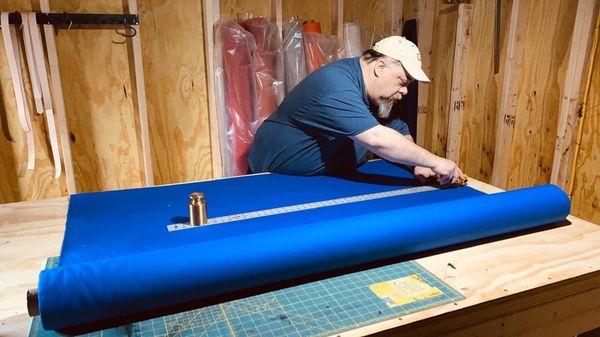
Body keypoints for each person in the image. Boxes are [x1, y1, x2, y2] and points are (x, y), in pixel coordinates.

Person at [248, 36, 465, 185]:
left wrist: (415, 164)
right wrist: (436, 161)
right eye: (402, 81)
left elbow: (395, 127)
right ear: (380, 68)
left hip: (322, 178)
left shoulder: (375, 94)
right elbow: (378, 139)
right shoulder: (335, 85)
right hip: (274, 177)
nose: (405, 91)